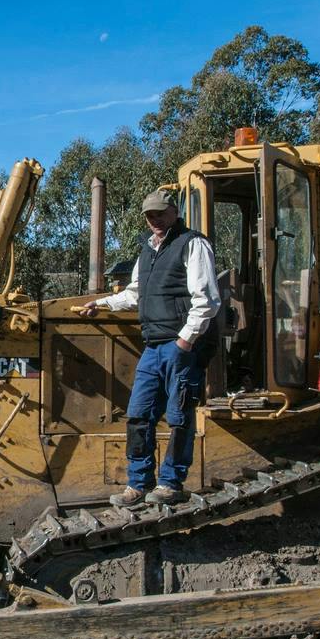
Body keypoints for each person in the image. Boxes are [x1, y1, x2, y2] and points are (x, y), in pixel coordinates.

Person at [74, 189, 220, 507]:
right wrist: (100, 304)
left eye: (161, 213)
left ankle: (171, 482)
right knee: (138, 414)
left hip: (179, 346)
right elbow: (134, 294)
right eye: (150, 215)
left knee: (179, 416)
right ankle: (138, 483)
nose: (155, 219)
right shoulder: (148, 250)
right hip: (153, 347)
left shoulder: (192, 243)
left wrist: (185, 341)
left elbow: (206, 300)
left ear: (174, 212)